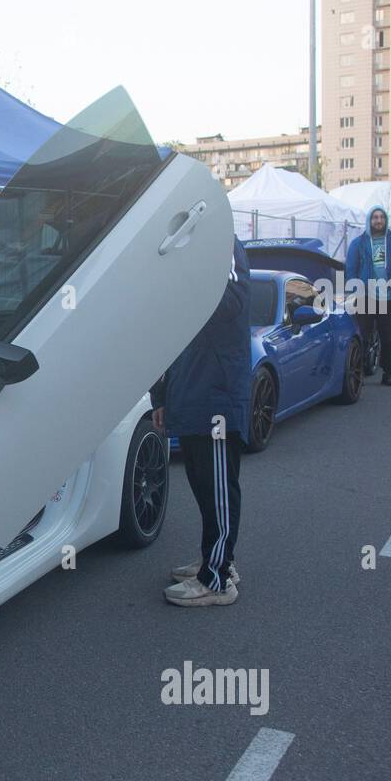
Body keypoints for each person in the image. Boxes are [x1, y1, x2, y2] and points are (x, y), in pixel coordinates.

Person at [151, 236, 251, 607]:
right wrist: (161, 395)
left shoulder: (223, 243)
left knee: (220, 490)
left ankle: (219, 580)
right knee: (204, 487)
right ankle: (217, 559)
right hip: (190, 393)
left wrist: (184, 276)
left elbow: (230, 302)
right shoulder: (186, 254)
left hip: (217, 395)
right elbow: (168, 336)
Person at [344, 205, 391, 385]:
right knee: (363, 335)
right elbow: (351, 269)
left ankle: (388, 372)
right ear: (369, 220)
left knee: (388, 337)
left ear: (385, 220)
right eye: (375, 217)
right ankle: (360, 373)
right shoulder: (359, 242)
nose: (378, 221)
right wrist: (357, 289)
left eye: (381, 217)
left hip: (389, 296)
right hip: (366, 295)